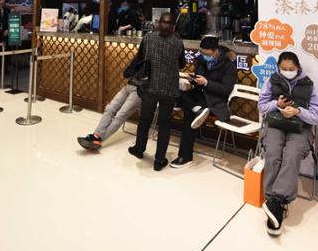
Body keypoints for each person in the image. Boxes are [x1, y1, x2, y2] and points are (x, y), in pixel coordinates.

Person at [257, 51, 318, 236]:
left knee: (292, 155)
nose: (287, 71)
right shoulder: (272, 81)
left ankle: (276, 202)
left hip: (300, 127)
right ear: (278, 68)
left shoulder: (309, 85)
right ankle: (274, 202)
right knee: (272, 153)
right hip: (276, 123)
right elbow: (262, 106)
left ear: (298, 68)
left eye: (291, 68)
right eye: (283, 68)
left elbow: (316, 116)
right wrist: (277, 105)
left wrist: (298, 111)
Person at [128, 12, 185, 171]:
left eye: (167, 23)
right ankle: (159, 160)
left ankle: (139, 149)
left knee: (145, 120)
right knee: (164, 125)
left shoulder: (148, 38)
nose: (165, 25)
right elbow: (182, 64)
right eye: (165, 23)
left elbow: (140, 58)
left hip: (149, 88)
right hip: (169, 90)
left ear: (158, 23)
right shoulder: (178, 42)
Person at [171, 36, 236, 168]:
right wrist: (193, 80)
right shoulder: (200, 60)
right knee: (174, 92)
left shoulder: (228, 65)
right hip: (198, 95)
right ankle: (197, 110)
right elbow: (198, 81)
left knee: (189, 116)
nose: (204, 56)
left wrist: (206, 83)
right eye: (202, 52)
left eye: (207, 54)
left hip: (214, 100)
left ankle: (185, 156)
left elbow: (225, 90)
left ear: (216, 51)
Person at [77, 85, 140, 150]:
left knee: (120, 116)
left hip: (139, 90)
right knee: (109, 109)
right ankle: (96, 135)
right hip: (129, 85)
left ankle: (98, 139)